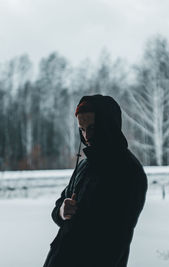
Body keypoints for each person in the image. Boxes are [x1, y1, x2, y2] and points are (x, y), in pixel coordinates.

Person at [43, 94, 148, 267]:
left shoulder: (128, 170)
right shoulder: (85, 165)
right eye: (82, 129)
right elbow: (59, 206)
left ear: (108, 125)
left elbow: (116, 242)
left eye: (92, 128)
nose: (86, 136)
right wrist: (63, 211)